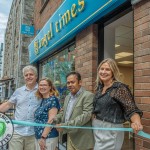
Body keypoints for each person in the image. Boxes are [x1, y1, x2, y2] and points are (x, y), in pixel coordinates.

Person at [92, 58, 143, 150]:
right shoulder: (99, 88)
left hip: (111, 130)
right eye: (101, 69)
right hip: (98, 129)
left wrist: (136, 122)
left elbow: (131, 109)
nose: (103, 72)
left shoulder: (119, 88)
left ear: (113, 72)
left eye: (107, 69)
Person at [0, 65, 41, 150]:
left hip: (34, 133)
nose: (28, 77)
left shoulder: (42, 90)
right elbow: (8, 105)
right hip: (17, 133)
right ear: (24, 77)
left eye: (31, 74)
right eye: (26, 75)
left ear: (36, 76)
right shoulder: (18, 91)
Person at [54, 71, 94, 150]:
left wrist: (65, 126)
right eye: (68, 83)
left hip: (82, 140)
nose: (70, 85)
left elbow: (86, 116)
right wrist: (55, 118)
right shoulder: (67, 97)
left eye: (72, 82)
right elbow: (63, 112)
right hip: (69, 137)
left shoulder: (88, 96)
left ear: (80, 82)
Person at [34, 78, 60, 150]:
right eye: (40, 85)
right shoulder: (42, 100)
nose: (42, 87)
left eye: (45, 85)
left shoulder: (53, 100)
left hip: (48, 137)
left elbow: (51, 120)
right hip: (38, 136)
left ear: (50, 87)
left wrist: (43, 137)